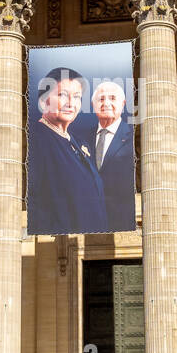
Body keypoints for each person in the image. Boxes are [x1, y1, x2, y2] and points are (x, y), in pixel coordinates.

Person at [26, 67, 108, 235]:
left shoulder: (76, 142)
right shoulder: (38, 140)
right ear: (44, 101)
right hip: (63, 235)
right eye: (62, 95)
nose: (71, 103)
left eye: (77, 97)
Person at [79, 80, 136, 231]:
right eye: (101, 99)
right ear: (93, 105)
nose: (106, 103)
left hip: (124, 213)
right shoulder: (80, 138)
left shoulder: (134, 136)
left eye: (112, 98)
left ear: (123, 103)